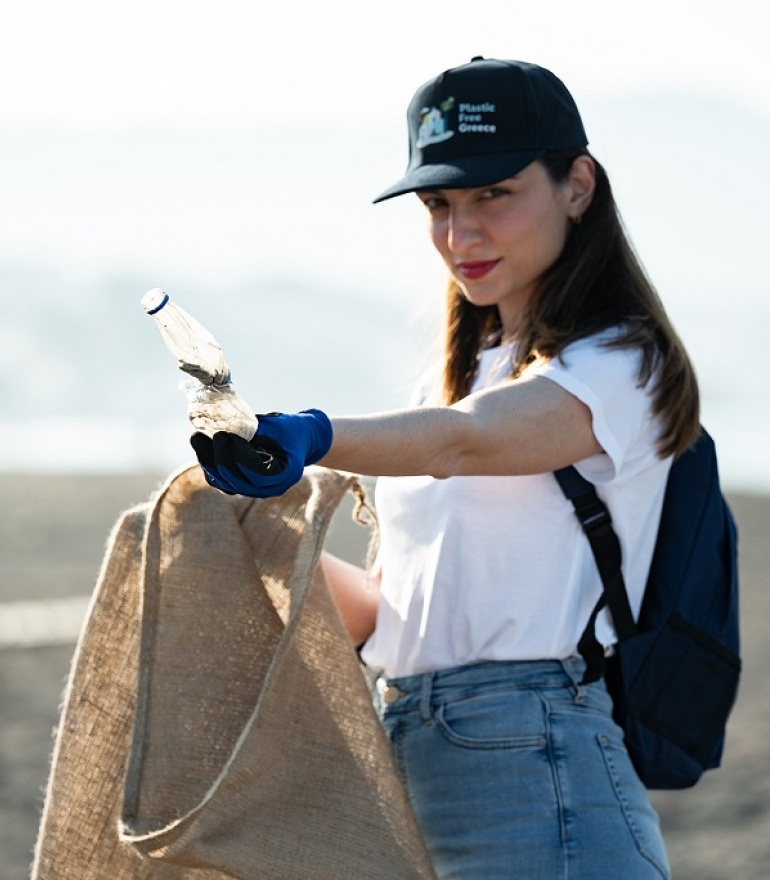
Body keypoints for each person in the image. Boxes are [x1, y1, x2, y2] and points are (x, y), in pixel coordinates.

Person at [191, 57, 699, 880]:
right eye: (438, 205)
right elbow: (392, 616)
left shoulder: (621, 363)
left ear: (577, 186)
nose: (461, 235)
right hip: (410, 767)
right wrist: (250, 534)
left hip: (542, 776)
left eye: (494, 194)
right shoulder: (449, 383)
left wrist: (313, 435)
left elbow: (465, 441)